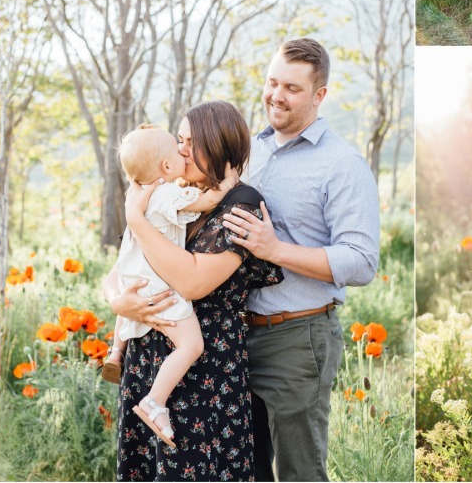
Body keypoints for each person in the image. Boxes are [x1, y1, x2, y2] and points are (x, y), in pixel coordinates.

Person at [223, 39, 380, 483]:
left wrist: (275, 249)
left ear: (319, 95)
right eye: (272, 82)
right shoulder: (249, 152)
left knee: (299, 473)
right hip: (232, 338)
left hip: (297, 337)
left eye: (292, 87)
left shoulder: (342, 164)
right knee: (244, 469)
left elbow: (362, 261)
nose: (276, 95)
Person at [109, 99, 284, 481]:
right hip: (147, 359)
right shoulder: (172, 192)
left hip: (206, 372)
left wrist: (136, 219)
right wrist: (119, 302)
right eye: (179, 139)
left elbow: (192, 281)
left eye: (190, 141)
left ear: (218, 145)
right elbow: (118, 268)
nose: (180, 148)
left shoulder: (242, 205)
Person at [104, 126, 232, 451]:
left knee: (129, 308)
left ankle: (115, 350)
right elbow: (207, 201)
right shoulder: (165, 193)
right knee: (190, 345)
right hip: (160, 288)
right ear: (164, 167)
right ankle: (155, 402)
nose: (182, 152)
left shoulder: (137, 196)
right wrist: (230, 182)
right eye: (177, 149)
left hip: (133, 280)